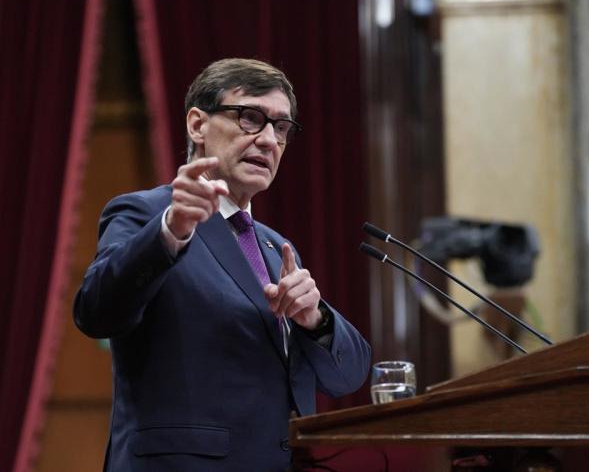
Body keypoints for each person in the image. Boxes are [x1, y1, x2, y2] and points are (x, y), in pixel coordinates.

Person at [74, 58, 372, 472]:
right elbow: (97, 312)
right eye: (250, 118)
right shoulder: (147, 215)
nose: (268, 140)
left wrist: (315, 319)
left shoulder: (275, 247)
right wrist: (170, 231)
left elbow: (349, 377)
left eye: (281, 127)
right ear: (197, 125)